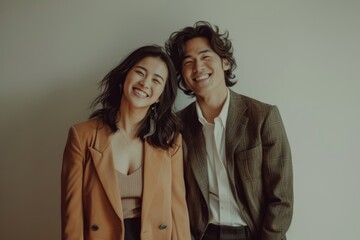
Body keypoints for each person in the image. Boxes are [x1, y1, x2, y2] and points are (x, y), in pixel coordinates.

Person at [165, 21, 293, 240]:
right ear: (181, 73)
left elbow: (281, 199)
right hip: (201, 235)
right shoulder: (177, 125)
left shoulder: (263, 116)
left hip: (253, 234)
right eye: (188, 62)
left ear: (224, 62)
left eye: (206, 57)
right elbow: (173, 194)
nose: (198, 68)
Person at [61, 45, 191, 240]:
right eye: (140, 72)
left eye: (156, 80)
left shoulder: (170, 141)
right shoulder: (82, 136)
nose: (145, 83)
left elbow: (178, 209)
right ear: (124, 77)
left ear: (160, 96)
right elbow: (72, 214)